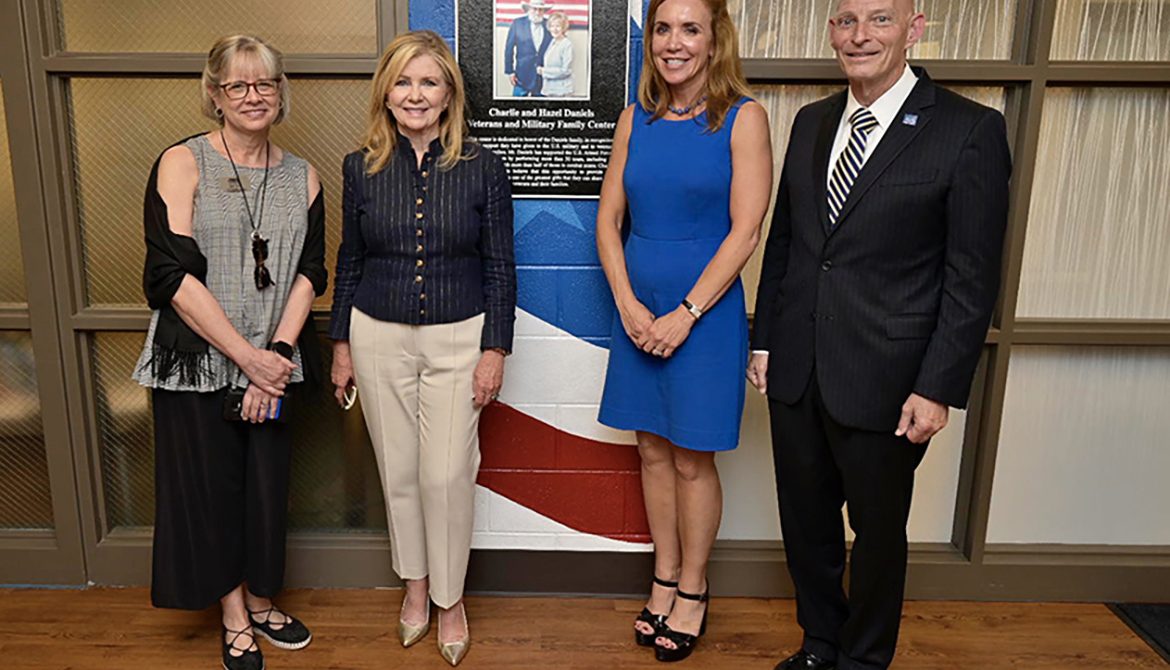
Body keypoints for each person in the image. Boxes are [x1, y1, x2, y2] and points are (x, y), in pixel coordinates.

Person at [747, 1, 1011, 668]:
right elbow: (786, 244)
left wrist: (938, 387)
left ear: (914, 29)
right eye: (845, 21)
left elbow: (972, 278)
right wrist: (765, 340)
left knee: (878, 534)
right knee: (807, 527)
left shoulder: (969, 129)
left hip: (889, 380)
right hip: (798, 366)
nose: (859, 36)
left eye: (880, 20)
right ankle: (820, 644)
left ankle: (863, 660)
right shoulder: (812, 123)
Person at [132, 34, 326, 670]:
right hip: (198, 362)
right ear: (214, 94)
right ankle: (235, 614)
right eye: (237, 85)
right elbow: (171, 275)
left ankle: (263, 600)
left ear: (280, 92)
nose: (252, 96)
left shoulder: (304, 176)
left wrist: (276, 356)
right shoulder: (181, 162)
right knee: (210, 494)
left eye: (264, 83)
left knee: (265, 491)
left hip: (273, 361)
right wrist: (248, 358)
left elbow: (309, 274)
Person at [329, 30, 516, 668]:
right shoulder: (359, 167)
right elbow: (350, 260)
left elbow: (500, 266)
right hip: (375, 334)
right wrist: (340, 345)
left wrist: (495, 350)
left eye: (429, 82)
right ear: (386, 92)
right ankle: (415, 586)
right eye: (403, 81)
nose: (415, 94)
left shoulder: (483, 167)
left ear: (448, 95)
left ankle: (450, 598)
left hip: (460, 337)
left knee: (446, 475)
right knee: (400, 472)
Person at [596, 0, 772, 662]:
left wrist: (686, 313)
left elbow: (746, 232)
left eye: (690, 29)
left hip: (705, 316)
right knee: (650, 450)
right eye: (663, 29)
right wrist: (627, 305)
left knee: (693, 459)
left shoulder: (743, 118)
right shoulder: (633, 119)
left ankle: (693, 589)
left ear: (714, 40)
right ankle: (663, 577)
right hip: (638, 314)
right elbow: (608, 221)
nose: (674, 43)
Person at [503, 0, 553, 96]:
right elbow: (509, 49)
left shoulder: (550, 25)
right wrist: (510, 72)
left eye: (540, 10)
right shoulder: (517, 24)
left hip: (542, 78)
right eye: (535, 9)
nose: (537, 12)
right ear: (529, 9)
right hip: (521, 76)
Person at [537, 11, 574, 97]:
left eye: (558, 26)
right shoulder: (552, 42)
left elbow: (565, 71)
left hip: (562, 90)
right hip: (549, 89)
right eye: (552, 26)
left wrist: (543, 71)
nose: (554, 29)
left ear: (563, 28)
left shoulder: (567, 44)